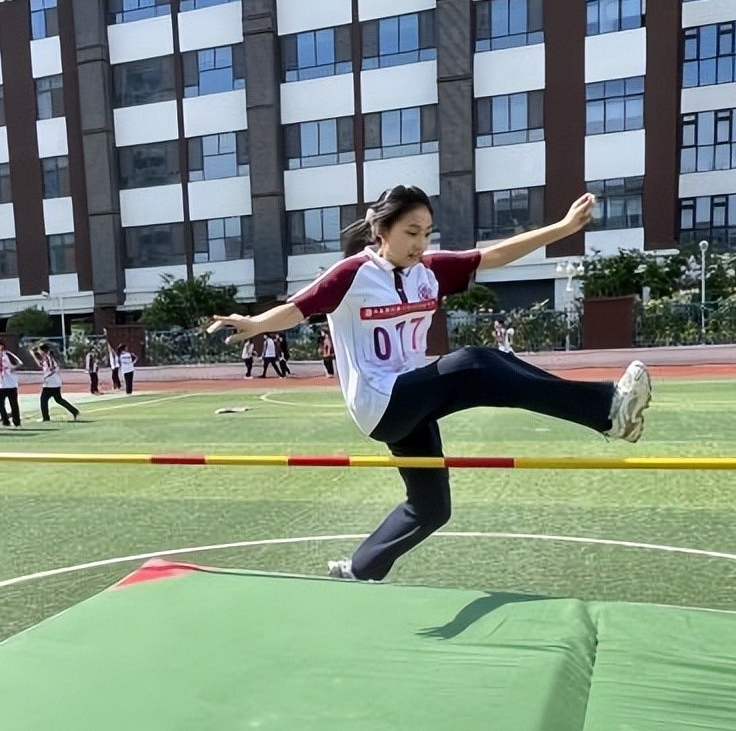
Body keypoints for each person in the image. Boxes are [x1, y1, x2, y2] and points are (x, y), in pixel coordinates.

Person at [209, 186, 652, 582]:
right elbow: (299, 307)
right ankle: (606, 410)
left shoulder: (430, 270)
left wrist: (561, 227)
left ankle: (360, 569)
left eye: (427, 233)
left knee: (431, 507)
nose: (421, 244)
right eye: (411, 233)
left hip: (412, 397)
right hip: (381, 402)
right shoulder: (353, 275)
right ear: (381, 230)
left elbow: (493, 256)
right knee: (478, 365)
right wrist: (255, 322)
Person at [34, 344, 80, 421]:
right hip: (54, 382)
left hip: (51, 383)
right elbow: (41, 364)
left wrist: (46, 377)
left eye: (40, 351)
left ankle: (46, 418)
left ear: (43, 351)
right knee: (58, 399)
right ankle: (74, 411)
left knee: (43, 400)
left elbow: (52, 369)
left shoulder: (48, 359)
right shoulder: (48, 358)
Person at [0, 338, 23, 428]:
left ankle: (17, 422)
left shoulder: (8, 354)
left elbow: (20, 363)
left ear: (2, 345)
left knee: (13, 403)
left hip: (11, 383)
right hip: (1, 384)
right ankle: (5, 420)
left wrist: (12, 368)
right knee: (0, 403)